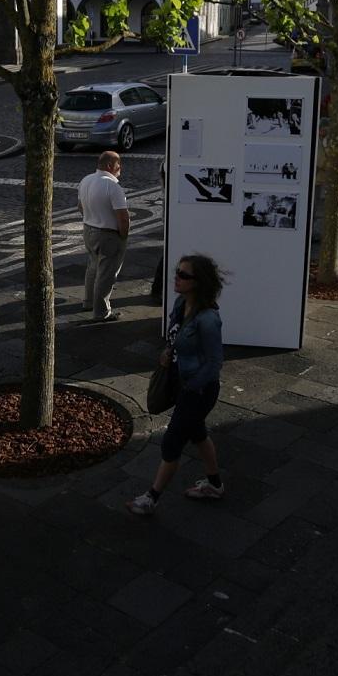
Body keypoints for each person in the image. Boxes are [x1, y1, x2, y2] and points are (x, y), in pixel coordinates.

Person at [129, 254, 225, 514]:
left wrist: (192, 385)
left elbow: (215, 362)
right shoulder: (181, 303)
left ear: (198, 282)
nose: (177, 278)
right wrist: (168, 351)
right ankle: (215, 485)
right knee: (197, 433)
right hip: (181, 380)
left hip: (198, 389)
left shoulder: (208, 320)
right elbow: (176, 334)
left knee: (172, 442)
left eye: (184, 275)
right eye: (177, 272)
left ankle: (152, 498)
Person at [77, 151, 130, 323]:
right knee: (106, 274)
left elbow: (80, 206)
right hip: (108, 235)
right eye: (118, 164)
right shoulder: (113, 186)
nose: (120, 167)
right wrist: (123, 236)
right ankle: (101, 312)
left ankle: (88, 301)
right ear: (109, 166)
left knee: (92, 267)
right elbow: (123, 216)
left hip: (88, 229)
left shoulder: (86, 180)